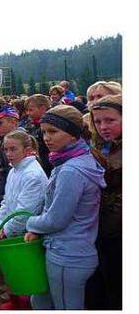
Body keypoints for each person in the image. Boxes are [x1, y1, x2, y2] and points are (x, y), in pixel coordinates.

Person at [25, 105, 106, 310]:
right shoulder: (70, 161)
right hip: (67, 251)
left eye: (53, 131)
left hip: (68, 255)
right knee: (43, 301)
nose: (46, 138)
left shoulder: (71, 169)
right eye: (44, 132)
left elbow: (56, 219)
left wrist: (30, 223)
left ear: (72, 135)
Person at [0, 130, 48, 310]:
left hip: (25, 234)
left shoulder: (32, 174)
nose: (8, 154)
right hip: (11, 229)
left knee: (26, 276)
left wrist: (7, 229)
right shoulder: (14, 170)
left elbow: (25, 213)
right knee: (13, 272)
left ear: (27, 150)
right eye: (6, 150)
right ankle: (15, 300)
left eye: (13, 149)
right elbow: (7, 201)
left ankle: (23, 305)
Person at [85, 95, 122, 309]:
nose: (103, 127)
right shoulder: (106, 146)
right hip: (104, 228)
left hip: (114, 231)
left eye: (110, 120)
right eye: (98, 122)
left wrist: (101, 229)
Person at [21, 94, 53, 176]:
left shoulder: (52, 127)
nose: (28, 113)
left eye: (30, 110)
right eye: (27, 110)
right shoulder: (32, 125)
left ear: (43, 109)